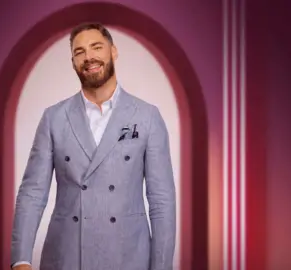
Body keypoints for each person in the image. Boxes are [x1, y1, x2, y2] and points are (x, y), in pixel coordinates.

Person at [10, 22, 176, 270]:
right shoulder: (53, 118)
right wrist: (21, 260)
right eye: (79, 52)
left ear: (113, 51)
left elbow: (162, 201)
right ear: (73, 62)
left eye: (96, 47)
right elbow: (32, 193)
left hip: (129, 258)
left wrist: (161, 266)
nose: (89, 57)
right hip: (66, 258)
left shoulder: (147, 117)